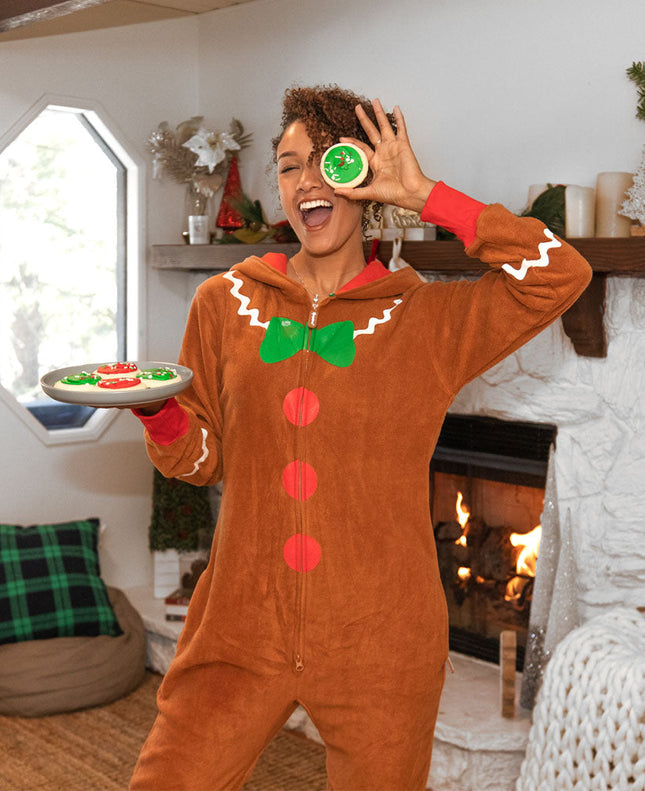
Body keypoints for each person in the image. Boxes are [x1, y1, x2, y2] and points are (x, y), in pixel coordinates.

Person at [129, 85, 591, 791]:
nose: (306, 181)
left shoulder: (425, 318)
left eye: (328, 162)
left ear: (363, 177)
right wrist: (155, 409)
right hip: (238, 630)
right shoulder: (223, 301)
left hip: (380, 640)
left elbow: (560, 274)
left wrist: (424, 192)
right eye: (288, 166)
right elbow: (200, 461)